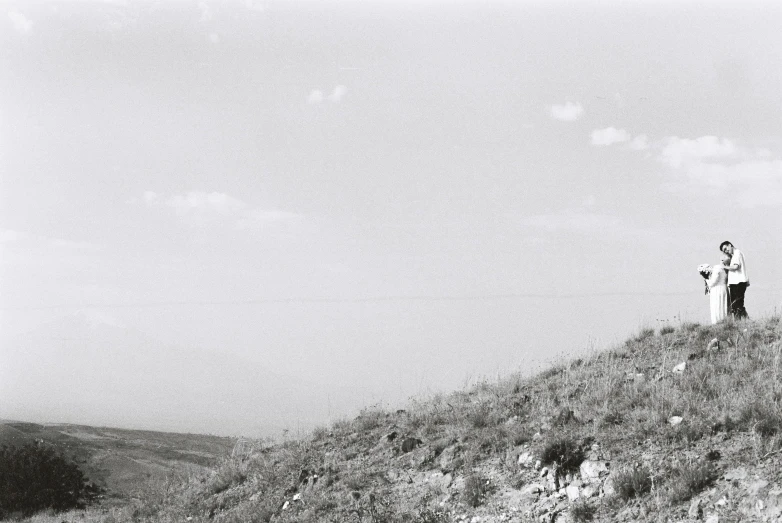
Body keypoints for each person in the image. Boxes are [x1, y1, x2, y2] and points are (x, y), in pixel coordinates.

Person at [719, 241, 750, 319]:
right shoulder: (736, 254)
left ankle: (741, 321)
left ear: (730, 245)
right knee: (736, 305)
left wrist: (724, 267)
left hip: (738, 282)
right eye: (724, 251)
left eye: (726, 249)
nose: (726, 251)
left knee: (737, 304)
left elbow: (736, 267)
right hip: (737, 282)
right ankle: (743, 321)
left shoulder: (737, 253)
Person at [698, 260, 728, 324]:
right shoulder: (724, 269)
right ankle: (723, 320)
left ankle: (718, 320)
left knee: (717, 305)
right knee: (722, 305)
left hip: (717, 290)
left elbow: (712, 282)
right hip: (723, 288)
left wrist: (707, 280)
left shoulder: (717, 270)